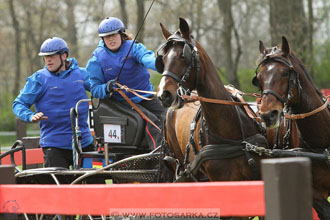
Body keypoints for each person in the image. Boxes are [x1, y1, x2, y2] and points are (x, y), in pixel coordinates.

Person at [12, 37, 94, 169]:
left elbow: (100, 90)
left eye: (52, 56)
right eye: (45, 57)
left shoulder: (81, 74)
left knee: (95, 184)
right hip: (54, 145)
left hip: (84, 142)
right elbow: (18, 103)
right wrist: (29, 115)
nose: (48, 60)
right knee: (58, 186)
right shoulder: (38, 79)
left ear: (64, 56)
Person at [86, 17, 165, 150]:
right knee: (152, 121)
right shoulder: (96, 59)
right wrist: (106, 87)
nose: (110, 39)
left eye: (113, 35)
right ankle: (159, 155)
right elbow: (94, 89)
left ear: (121, 34)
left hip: (145, 97)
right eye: (106, 37)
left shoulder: (134, 47)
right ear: (102, 39)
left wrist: (159, 64)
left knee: (168, 115)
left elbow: (147, 58)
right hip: (121, 102)